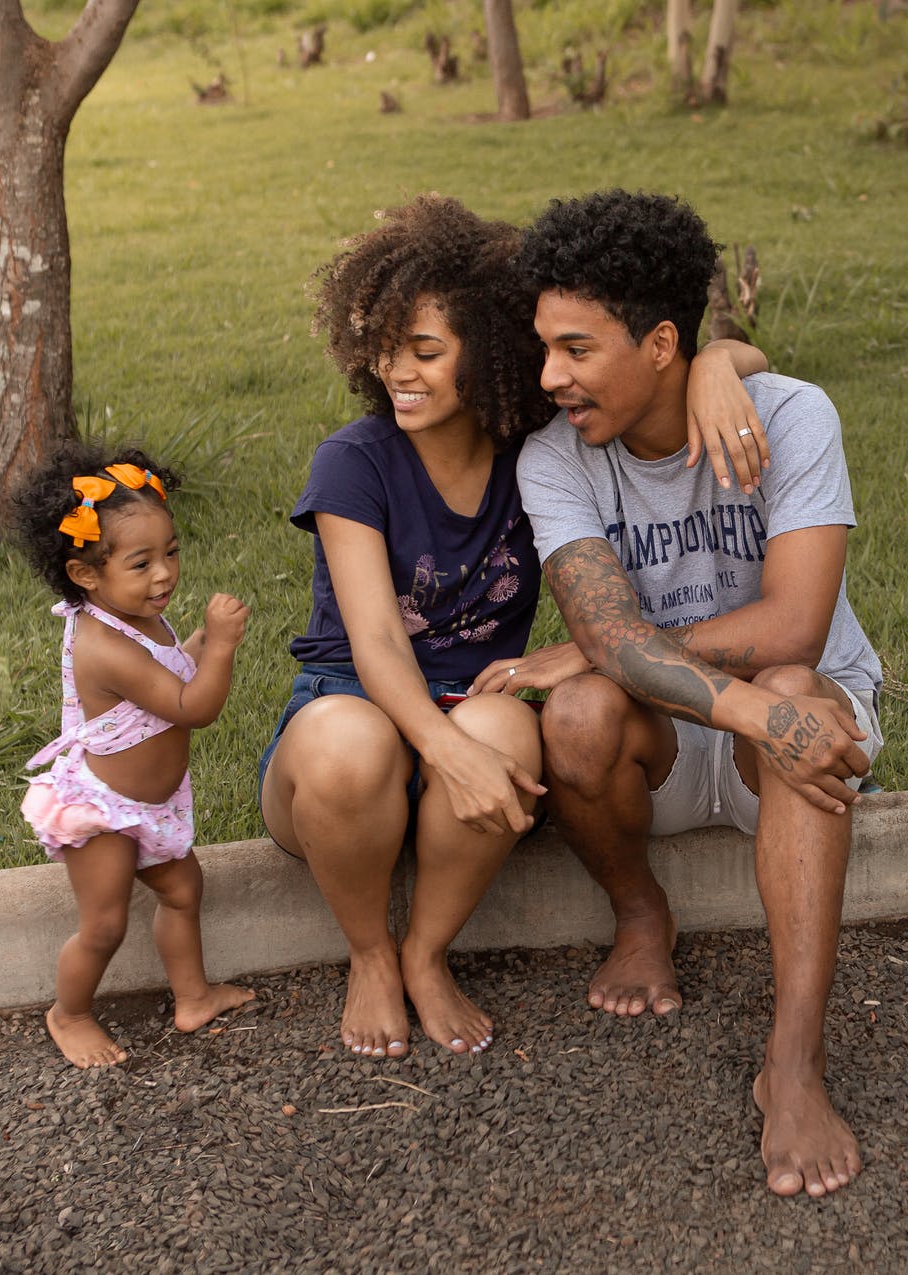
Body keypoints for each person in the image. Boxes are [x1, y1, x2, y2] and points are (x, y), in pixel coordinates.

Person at [259, 194, 770, 1061]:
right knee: (356, 744)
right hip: (347, 715)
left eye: (426, 351)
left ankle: (426, 953)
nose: (400, 372)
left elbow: (670, 361)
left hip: (474, 703)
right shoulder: (353, 461)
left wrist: (718, 357)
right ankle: (372, 953)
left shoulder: (536, 448)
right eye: (385, 348)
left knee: (500, 722)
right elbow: (377, 644)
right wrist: (447, 751)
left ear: (489, 351)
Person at [482, 189, 883, 1198]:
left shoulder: (790, 415)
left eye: (575, 349)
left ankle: (791, 1061)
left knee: (793, 682)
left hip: (785, 717)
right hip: (667, 732)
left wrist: (613, 647)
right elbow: (606, 642)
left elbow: (790, 627)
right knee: (573, 712)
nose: (550, 377)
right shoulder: (552, 457)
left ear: (661, 344)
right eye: (544, 348)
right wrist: (609, 658)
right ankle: (639, 916)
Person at [12, 443, 255, 1069]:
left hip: (151, 806)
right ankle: (69, 1014)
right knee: (105, 925)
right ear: (86, 575)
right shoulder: (104, 645)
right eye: (142, 562)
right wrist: (221, 647)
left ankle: (193, 996)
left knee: (182, 889)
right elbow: (192, 704)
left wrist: (199, 640)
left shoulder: (141, 619)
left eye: (171, 552)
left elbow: (175, 666)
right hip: (105, 811)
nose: (165, 574)